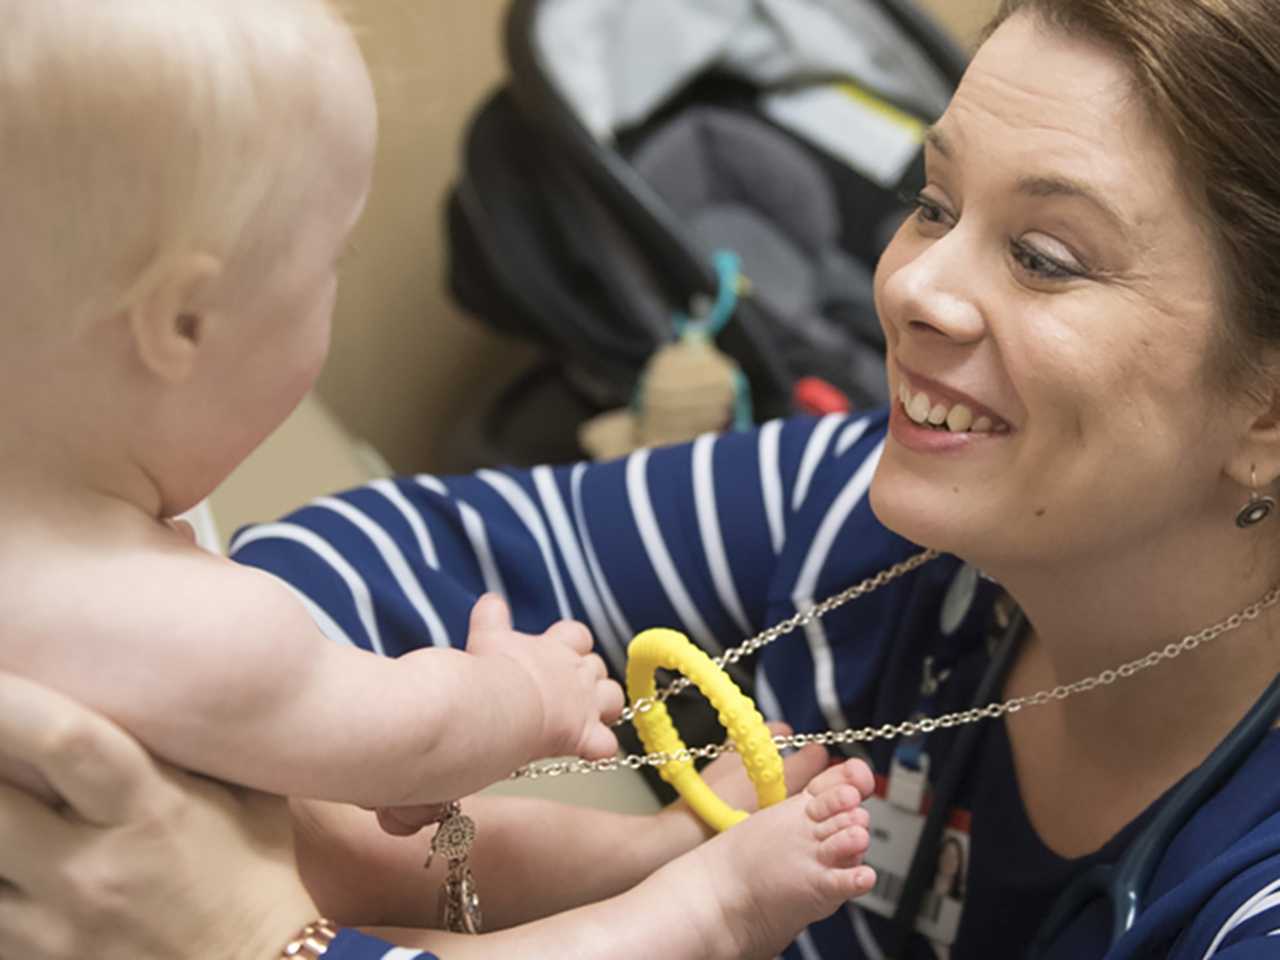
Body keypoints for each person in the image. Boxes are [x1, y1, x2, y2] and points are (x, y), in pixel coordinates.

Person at [7, 0, 1280, 956]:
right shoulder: (867, 512)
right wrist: (259, 721)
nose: (910, 286)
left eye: (1046, 257)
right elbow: (419, 546)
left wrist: (252, 927)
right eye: (933, 204)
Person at [0, 1, 879, 957]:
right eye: (325, 264)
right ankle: (709, 911)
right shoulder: (174, 625)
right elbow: (413, 741)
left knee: (306, 834)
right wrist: (520, 697)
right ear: (184, 325)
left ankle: (655, 850)